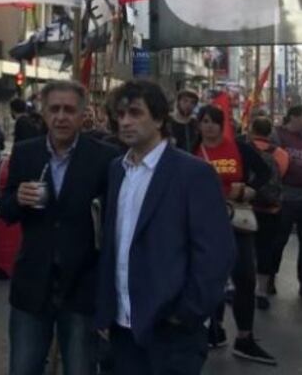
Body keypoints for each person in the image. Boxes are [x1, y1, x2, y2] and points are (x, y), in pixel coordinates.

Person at [97, 80, 235, 375]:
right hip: (122, 327)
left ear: (159, 118)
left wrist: (185, 313)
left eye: (135, 113)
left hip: (171, 332)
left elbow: (215, 254)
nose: (125, 122)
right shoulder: (116, 170)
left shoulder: (193, 173)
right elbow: (115, 244)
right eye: (120, 115)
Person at [0, 81, 119, 375]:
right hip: (32, 282)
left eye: (69, 110)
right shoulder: (26, 153)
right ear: (43, 112)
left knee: (80, 368)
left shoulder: (103, 157)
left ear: (83, 114)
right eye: (54, 109)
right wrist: (17, 198)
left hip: (80, 286)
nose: (61, 117)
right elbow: (6, 211)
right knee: (23, 368)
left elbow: (112, 220)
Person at [194, 105, 276, 364]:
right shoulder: (192, 149)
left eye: (213, 122)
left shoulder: (239, 147)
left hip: (237, 220)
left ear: (222, 124)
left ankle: (245, 337)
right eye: (204, 121)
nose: (208, 126)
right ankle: (214, 330)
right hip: (204, 222)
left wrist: (250, 189)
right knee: (211, 278)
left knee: (244, 278)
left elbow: (264, 172)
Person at [271, 104, 302, 300]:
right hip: (286, 196)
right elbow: (270, 161)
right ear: (294, 117)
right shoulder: (278, 135)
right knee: (278, 241)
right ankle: (269, 278)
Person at [248, 117, 289, 310]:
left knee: (243, 249)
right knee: (265, 249)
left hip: (245, 206)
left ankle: (238, 287)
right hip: (271, 208)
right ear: (269, 132)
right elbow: (282, 174)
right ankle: (262, 291)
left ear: (252, 128)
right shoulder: (280, 153)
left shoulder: (243, 148)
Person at [169, 89, 199, 154]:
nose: (188, 104)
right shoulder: (167, 121)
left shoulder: (196, 124)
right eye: (185, 101)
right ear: (178, 102)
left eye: (192, 102)